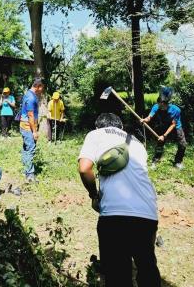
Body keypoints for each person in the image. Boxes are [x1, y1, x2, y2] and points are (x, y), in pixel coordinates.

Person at [78, 113, 160, 287]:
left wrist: (94, 195)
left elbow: (85, 169)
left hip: (115, 216)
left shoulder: (96, 134)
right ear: (121, 127)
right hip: (148, 212)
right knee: (147, 268)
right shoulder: (137, 143)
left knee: (118, 275)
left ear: (97, 126)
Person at [141, 97, 187, 169]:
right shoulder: (156, 107)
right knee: (160, 144)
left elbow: (173, 124)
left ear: (167, 104)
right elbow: (149, 117)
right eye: (159, 105)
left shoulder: (176, 110)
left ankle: (178, 162)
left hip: (176, 126)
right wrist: (145, 120)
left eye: (162, 106)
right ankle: (155, 160)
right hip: (164, 125)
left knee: (182, 144)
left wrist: (164, 136)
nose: (160, 107)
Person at [19, 77, 44, 183]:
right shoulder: (31, 98)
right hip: (28, 127)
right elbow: (30, 115)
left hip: (24, 125)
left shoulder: (28, 94)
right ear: (38, 86)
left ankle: (26, 169)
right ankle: (29, 175)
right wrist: (34, 131)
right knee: (30, 149)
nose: (42, 90)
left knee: (25, 148)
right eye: (42, 87)